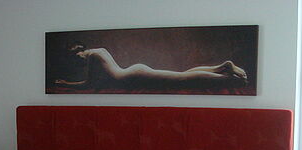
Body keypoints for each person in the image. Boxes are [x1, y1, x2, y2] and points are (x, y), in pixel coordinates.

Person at [54, 43, 248, 91]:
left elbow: (88, 84)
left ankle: (227, 76)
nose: (78, 62)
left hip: (134, 76)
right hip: (135, 73)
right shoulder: (99, 51)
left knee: (182, 79)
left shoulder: (92, 57)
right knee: (181, 76)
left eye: (76, 58)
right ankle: (220, 68)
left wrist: (65, 84)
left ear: (78, 52)